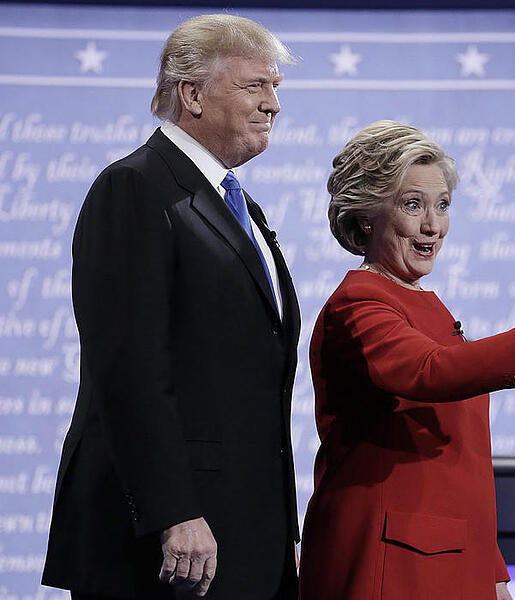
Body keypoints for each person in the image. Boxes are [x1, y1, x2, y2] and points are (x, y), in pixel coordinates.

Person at [297, 120, 515, 600]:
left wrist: (490, 564)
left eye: (442, 205)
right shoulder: (359, 302)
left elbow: (464, 458)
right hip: (390, 560)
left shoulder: (428, 305)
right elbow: (428, 370)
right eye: (412, 205)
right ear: (367, 213)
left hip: (451, 558)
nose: (432, 225)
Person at [42, 14, 301, 600]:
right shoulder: (135, 188)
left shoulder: (238, 205)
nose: (273, 105)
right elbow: (129, 368)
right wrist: (173, 512)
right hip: (168, 542)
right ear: (192, 94)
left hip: (242, 531)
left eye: (276, 89)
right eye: (255, 86)